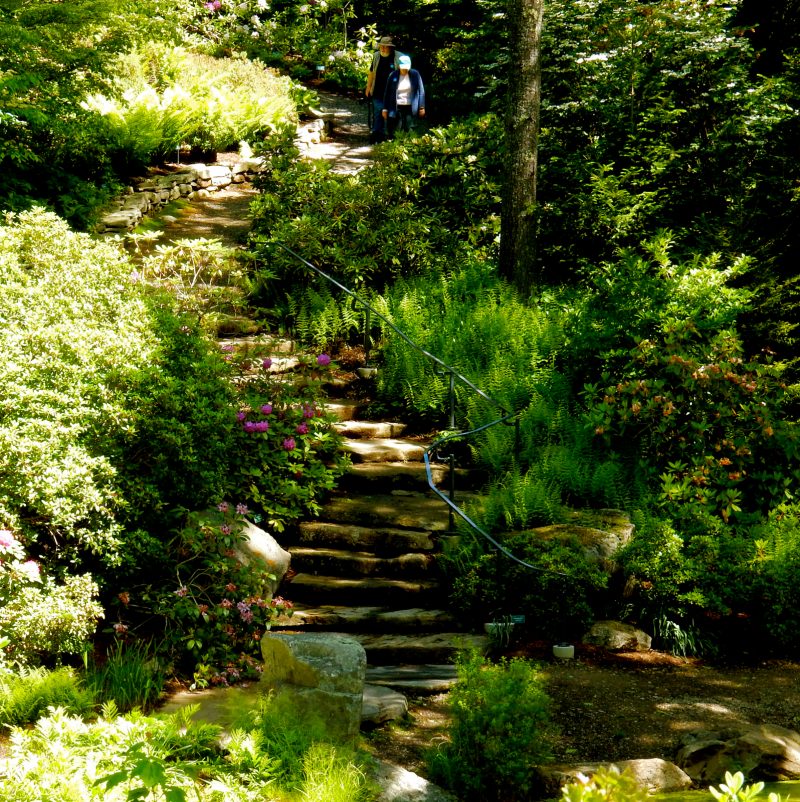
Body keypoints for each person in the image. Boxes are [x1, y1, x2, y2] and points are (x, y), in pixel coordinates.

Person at [365, 35, 400, 143]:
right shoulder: (376, 56)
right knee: (378, 113)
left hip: (392, 92)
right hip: (378, 90)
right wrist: (368, 87)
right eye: (381, 46)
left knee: (391, 114)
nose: (383, 48)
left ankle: (391, 135)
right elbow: (371, 72)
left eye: (386, 46)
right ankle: (377, 135)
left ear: (391, 47)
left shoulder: (398, 57)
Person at [382, 55, 426, 138]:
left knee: (410, 128)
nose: (404, 70)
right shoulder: (393, 75)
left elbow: (421, 91)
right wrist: (385, 109)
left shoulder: (415, 74)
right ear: (399, 66)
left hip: (410, 106)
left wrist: (422, 107)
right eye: (403, 68)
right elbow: (387, 93)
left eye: (406, 68)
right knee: (396, 129)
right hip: (396, 106)